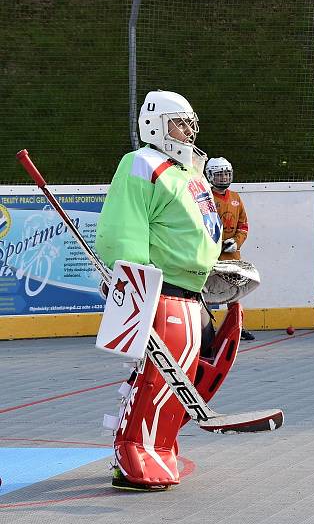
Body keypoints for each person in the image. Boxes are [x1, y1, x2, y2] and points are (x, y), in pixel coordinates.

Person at [96, 90, 222, 490]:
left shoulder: (189, 170)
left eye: (189, 123)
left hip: (189, 291)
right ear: (154, 124)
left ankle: (161, 447)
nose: (187, 131)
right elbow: (122, 227)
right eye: (177, 123)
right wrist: (135, 283)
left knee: (180, 379)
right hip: (160, 288)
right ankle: (133, 451)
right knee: (155, 377)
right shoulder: (142, 164)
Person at [204, 156, 255, 341]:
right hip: (211, 256)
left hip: (232, 255)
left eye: (226, 174)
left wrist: (236, 242)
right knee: (206, 291)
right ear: (210, 176)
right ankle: (206, 329)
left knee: (234, 291)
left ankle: (237, 328)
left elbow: (243, 225)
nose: (224, 178)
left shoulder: (235, 197)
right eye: (219, 175)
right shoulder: (205, 198)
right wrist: (214, 244)